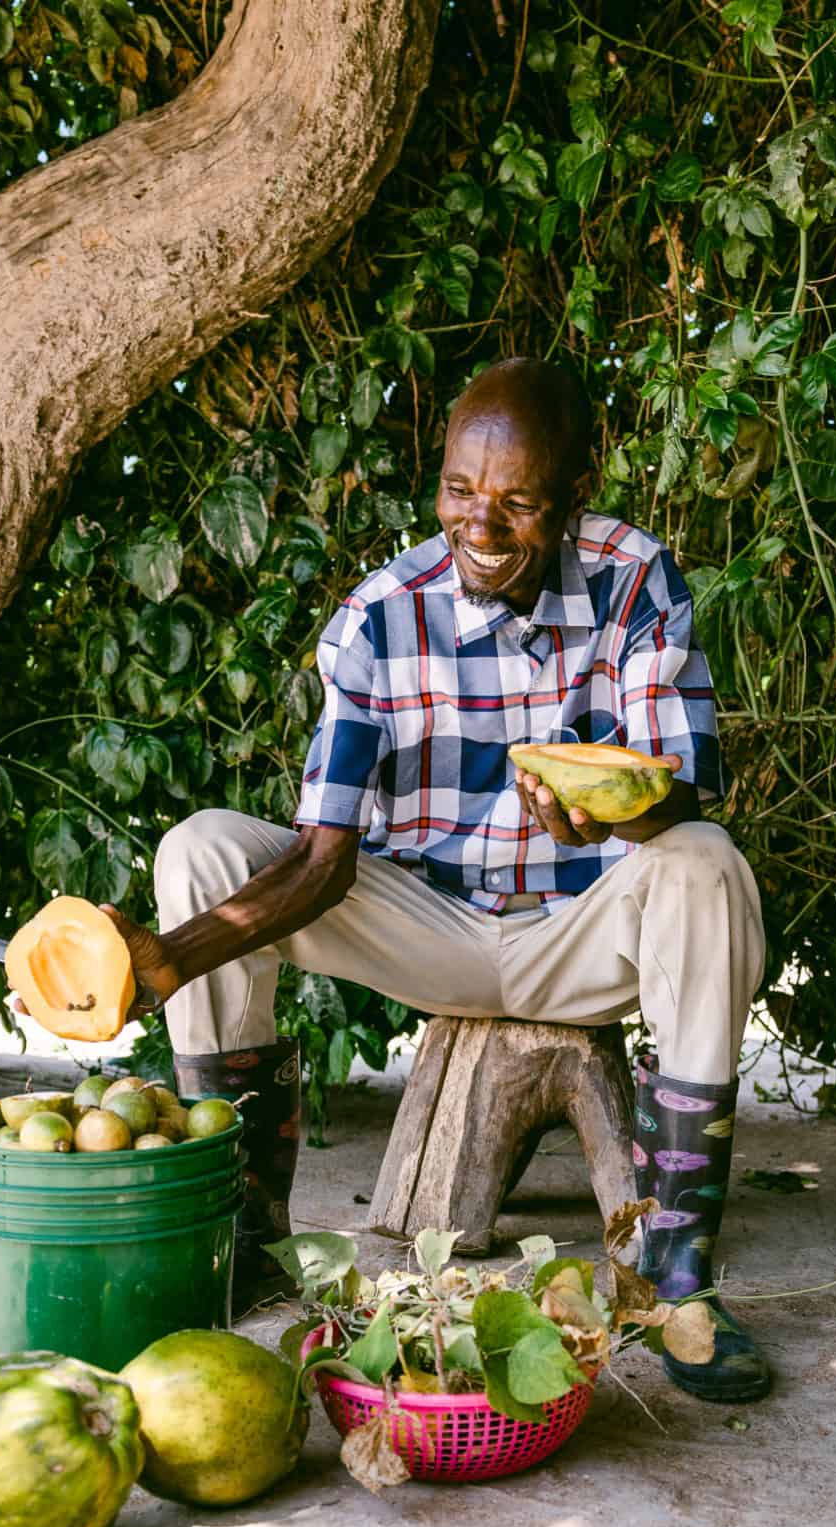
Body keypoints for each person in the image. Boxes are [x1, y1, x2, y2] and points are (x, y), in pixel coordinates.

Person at [104, 356, 771, 1403]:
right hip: (432, 927)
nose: (483, 523)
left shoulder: (635, 577)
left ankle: (676, 1281)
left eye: (519, 501)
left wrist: (616, 807)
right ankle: (240, 1232)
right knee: (205, 849)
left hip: (585, 931)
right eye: (461, 490)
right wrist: (165, 961)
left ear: (575, 493)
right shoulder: (381, 612)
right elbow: (323, 861)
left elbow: (681, 793)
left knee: (705, 864)